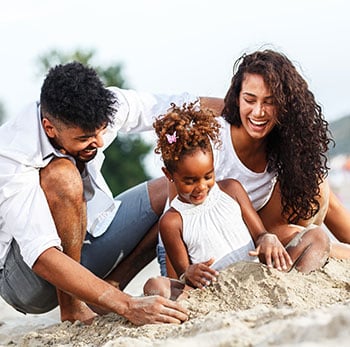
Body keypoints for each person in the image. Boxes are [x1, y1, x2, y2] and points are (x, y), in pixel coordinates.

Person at [0, 62, 223, 326]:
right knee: (63, 176)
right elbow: (41, 255)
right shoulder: (12, 153)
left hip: (82, 246)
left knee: (173, 185)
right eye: (84, 138)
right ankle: (72, 308)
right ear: (50, 129)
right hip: (26, 280)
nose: (99, 142)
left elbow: (177, 106)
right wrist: (128, 306)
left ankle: (108, 288)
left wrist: (242, 108)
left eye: (101, 130)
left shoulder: (106, 105)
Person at [144, 103, 329, 300]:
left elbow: (260, 234)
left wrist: (267, 239)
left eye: (208, 176)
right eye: (190, 181)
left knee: (317, 236)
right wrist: (189, 272)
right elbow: (183, 273)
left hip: (255, 277)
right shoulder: (172, 221)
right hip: (214, 291)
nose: (201, 187)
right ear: (169, 175)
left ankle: (295, 287)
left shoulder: (231, 189)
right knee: (154, 285)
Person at [215, 49, 350, 258]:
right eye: (250, 100)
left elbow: (328, 203)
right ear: (237, 98)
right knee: (299, 232)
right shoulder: (214, 139)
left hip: (268, 230)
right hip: (235, 241)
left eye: (269, 101)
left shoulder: (281, 139)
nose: (259, 112)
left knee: (313, 180)